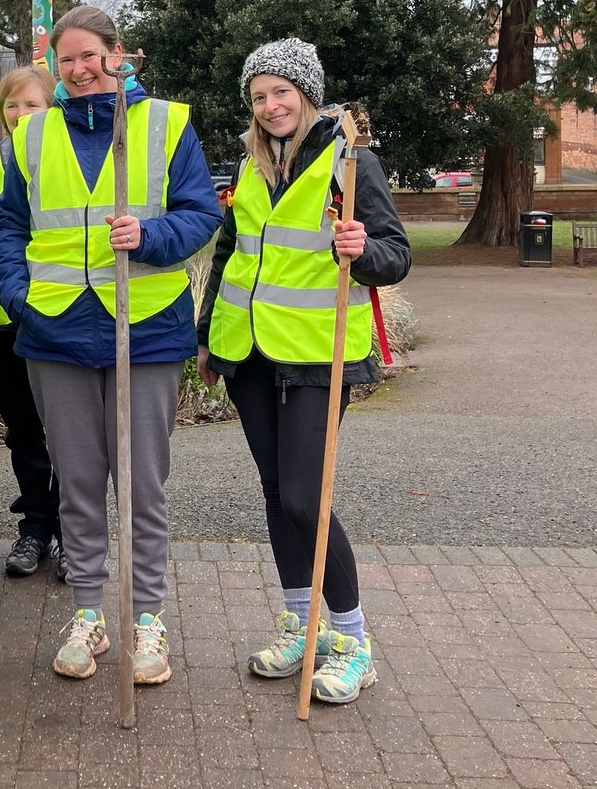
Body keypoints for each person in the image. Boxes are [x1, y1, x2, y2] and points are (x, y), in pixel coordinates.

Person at [0, 5, 222, 686]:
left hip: (144, 330)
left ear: (117, 54)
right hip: (55, 331)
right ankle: (89, 613)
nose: (79, 68)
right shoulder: (32, 134)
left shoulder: (165, 124)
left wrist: (149, 239)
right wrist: (18, 296)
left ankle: (146, 619)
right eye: (66, 59)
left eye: (91, 54)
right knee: (79, 484)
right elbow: (10, 225)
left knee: (142, 485)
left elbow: (202, 213)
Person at [197, 38, 410, 706]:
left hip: (319, 353)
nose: (270, 105)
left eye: (280, 92)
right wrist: (208, 337)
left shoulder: (352, 161)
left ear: (307, 94)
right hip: (250, 352)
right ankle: (302, 623)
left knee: (303, 498)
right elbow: (231, 251)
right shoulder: (250, 164)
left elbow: (394, 254)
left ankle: (351, 641)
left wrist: (362, 247)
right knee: (273, 493)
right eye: (259, 96)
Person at [0, 65, 66, 581]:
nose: (20, 114)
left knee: (68, 433)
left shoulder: (65, 162)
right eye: (12, 105)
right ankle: (35, 527)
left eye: (32, 104)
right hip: (4, 316)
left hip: (59, 312)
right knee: (23, 431)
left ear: (53, 110)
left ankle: (72, 532)